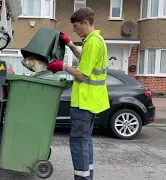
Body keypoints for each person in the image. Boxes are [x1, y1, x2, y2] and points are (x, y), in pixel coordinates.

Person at [46, 7, 110, 180]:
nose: (74, 29)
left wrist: (63, 67)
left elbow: (82, 74)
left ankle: (82, 178)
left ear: (85, 23)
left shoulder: (93, 42)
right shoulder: (96, 40)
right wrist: (69, 44)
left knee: (78, 142)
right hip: (91, 100)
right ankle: (87, 175)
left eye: (75, 26)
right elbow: (84, 58)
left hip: (85, 101)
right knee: (85, 141)